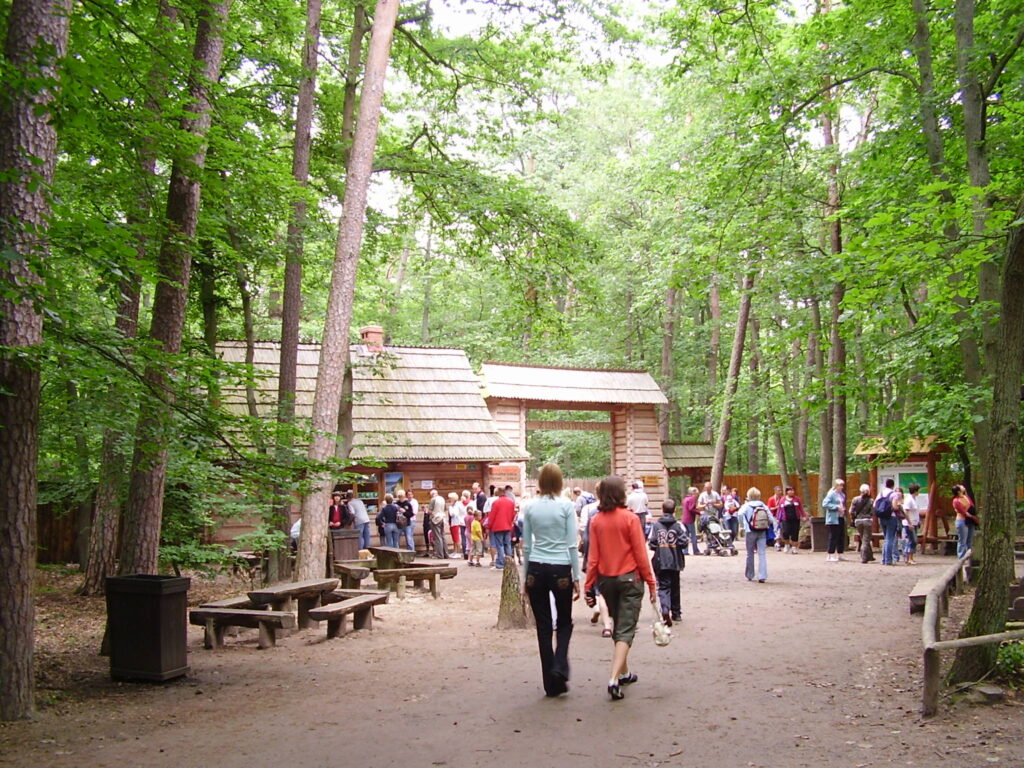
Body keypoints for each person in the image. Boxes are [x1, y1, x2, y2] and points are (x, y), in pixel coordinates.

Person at [584, 475, 658, 701]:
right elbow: (640, 553)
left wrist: (589, 584)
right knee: (626, 629)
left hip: (606, 580)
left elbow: (593, 557)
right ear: (621, 494)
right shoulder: (630, 519)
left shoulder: (596, 521)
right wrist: (651, 582)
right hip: (630, 579)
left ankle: (624, 673)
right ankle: (613, 679)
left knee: (619, 625)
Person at [521, 463, 581, 697]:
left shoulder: (530, 506)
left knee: (543, 625)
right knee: (564, 621)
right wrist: (576, 576)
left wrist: (525, 577)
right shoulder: (566, 505)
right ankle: (560, 664)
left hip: (536, 567)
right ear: (559, 482)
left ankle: (550, 683)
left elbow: (526, 545)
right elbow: (572, 544)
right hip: (560, 567)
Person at [648, 498, 685, 624]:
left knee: (663, 586)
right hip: (675, 560)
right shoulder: (678, 526)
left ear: (662, 510)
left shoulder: (656, 526)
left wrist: (660, 546)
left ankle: (665, 608)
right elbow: (684, 542)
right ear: (674, 510)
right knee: (675, 586)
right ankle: (676, 613)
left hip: (661, 560)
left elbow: (652, 543)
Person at [739, 487, 774, 582]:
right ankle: (762, 576)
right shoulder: (763, 506)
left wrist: (743, 525)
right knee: (762, 553)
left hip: (750, 531)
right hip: (762, 531)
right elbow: (771, 519)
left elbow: (740, 515)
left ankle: (750, 574)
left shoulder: (746, 506)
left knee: (750, 553)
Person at [489, 486, 517, 569]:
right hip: (508, 526)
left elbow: (492, 516)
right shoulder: (511, 502)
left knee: (500, 545)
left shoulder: (496, 502)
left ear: (499, 492)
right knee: (507, 544)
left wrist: (489, 526)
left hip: (498, 526)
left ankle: (500, 563)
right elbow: (513, 514)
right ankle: (509, 562)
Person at [875, 478, 900, 566]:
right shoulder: (894, 494)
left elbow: (875, 504)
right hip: (891, 517)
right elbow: (895, 506)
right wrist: (898, 507)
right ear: (893, 485)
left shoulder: (881, 493)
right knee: (890, 539)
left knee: (886, 538)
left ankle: (883, 559)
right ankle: (888, 560)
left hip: (882, 517)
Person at [952, 484, 980, 560]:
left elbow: (972, 506)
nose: (963, 486)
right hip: (962, 521)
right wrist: (973, 517)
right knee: (962, 540)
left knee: (969, 540)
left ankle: (969, 557)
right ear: (958, 491)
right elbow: (963, 511)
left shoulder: (966, 497)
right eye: (960, 486)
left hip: (970, 521)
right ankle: (961, 558)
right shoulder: (956, 501)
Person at [821, 479, 846, 562]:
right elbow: (825, 504)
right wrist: (836, 507)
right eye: (840, 485)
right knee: (833, 536)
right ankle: (830, 555)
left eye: (842, 485)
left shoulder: (842, 495)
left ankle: (840, 554)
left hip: (841, 517)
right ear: (836, 486)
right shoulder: (831, 494)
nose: (841, 487)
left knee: (841, 536)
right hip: (833, 518)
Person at [849, 484, 875, 563]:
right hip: (867, 521)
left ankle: (870, 556)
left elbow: (851, 511)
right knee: (866, 540)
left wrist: (853, 518)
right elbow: (873, 512)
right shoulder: (871, 501)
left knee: (863, 538)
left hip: (858, 521)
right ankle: (864, 557)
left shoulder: (855, 499)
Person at [777, 486, 805, 554]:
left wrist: (803, 516)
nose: (792, 492)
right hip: (785, 519)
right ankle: (786, 545)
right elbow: (779, 510)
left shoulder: (797, 499)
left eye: (793, 490)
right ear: (787, 491)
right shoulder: (782, 499)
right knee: (785, 532)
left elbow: (801, 508)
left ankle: (794, 548)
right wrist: (778, 518)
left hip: (795, 519)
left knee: (795, 533)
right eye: (790, 490)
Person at [903, 483, 922, 565]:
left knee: (912, 540)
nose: (919, 492)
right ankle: (909, 558)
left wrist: (918, 520)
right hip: (909, 523)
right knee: (912, 540)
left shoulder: (914, 499)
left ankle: (910, 558)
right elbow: (906, 511)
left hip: (915, 522)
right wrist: (909, 523)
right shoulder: (909, 499)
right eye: (918, 490)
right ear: (915, 491)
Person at [680, 486, 700, 555]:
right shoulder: (692, 499)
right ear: (693, 493)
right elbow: (691, 509)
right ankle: (695, 550)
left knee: (686, 535)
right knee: (693, 535)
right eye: (697, 493)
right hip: (689, 519)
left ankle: (685, 551)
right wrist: (699, 512)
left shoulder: (685, 499)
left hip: (684, 519)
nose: (697, 495)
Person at [429, 490, 449, 559]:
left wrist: (426, 510)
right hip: (442, 518)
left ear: (432, 494)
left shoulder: (433, 500)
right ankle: (446, 554)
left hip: (435, 519)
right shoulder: (442, 499)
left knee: (437, 537)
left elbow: (430, 511)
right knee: (443, 536)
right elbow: (445, 509)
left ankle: (440, 555)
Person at [767, 486, 784, 551]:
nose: (780, 492)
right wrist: (776, 508)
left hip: (781, 516)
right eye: (779, 490)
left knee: (780, 530)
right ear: (775, 491)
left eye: (781, 490)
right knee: (776, 529)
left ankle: (779, 542)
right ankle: (777, 543)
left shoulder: (782, 499)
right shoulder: (771, 499)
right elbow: (769, 508)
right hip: (774, 516)